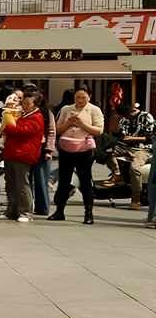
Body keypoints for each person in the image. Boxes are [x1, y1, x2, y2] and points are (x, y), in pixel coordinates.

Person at [50, 86, 104, 225]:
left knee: (85, 181)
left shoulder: (94, 110)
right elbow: (58, 129)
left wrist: (82, 124)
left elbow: (98, 131)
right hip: (66, 147)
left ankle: (88, 213)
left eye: (83, 97)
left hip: (84, 149)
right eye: (77, 97)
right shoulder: (66, 109)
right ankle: (59, 211)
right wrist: (69, 123)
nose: (80, 100)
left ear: (89, 97)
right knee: (64, 181)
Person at [0, 87, 46, 223]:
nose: (25, 105)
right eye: (24, 102)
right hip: (11, 152)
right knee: (10, 184)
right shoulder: (21, 114)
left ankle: (25, 212)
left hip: (24, 154)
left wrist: (7, 127)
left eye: (28, 103)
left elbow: (21, 131)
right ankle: (12, 210)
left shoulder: (37, 117)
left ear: (35, 104)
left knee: (22, 184)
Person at [113, 102, 154, 210]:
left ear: (130, 112)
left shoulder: (146, 117)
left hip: (142, 148)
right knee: (104, 151)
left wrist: (132, 139)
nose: (125, 118)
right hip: (125, 146)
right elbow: (121, 134)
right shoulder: (124, 119)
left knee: (134, 168)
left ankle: (136, 199)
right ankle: (117, 174)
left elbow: (150, 137)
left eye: (126, 116)